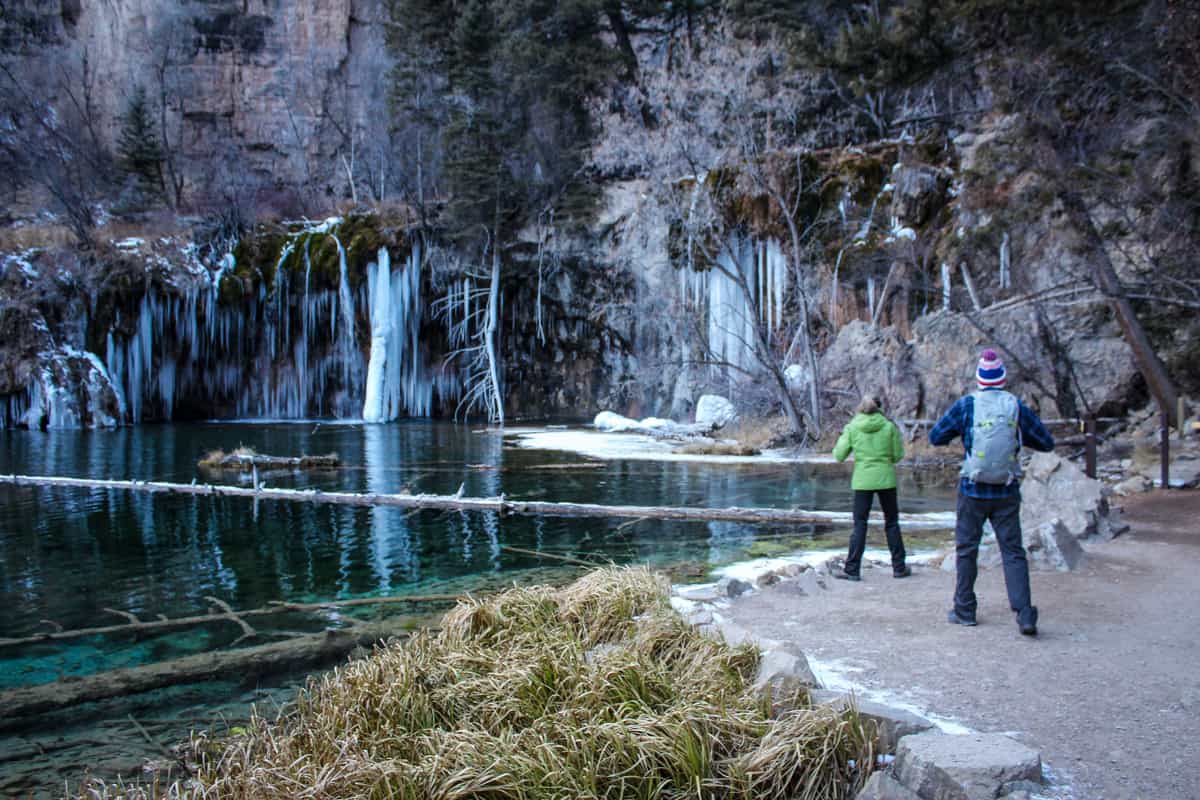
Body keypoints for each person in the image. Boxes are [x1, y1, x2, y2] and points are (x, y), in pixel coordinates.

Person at [929, 348, 1055, 635]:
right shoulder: (1015, 406)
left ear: (979, 379)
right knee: (1012, 551)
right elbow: (1046, 443)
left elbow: (936, 437)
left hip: (972, 489)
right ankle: (1024, 613)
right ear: (1002, 378)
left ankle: (965, 609)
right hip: (1006, 491)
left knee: (966, 549)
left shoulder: (966, 406)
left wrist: (963, 437)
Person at [832, 393, 910, 581]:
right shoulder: (889, 427)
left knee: (860, 525)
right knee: (891, 522)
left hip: (863, 481)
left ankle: (852, 569)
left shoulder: (852, 427)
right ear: (880, 408)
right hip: (886, 479)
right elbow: (898, 455)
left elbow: (839, 455)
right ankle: (899, 567)